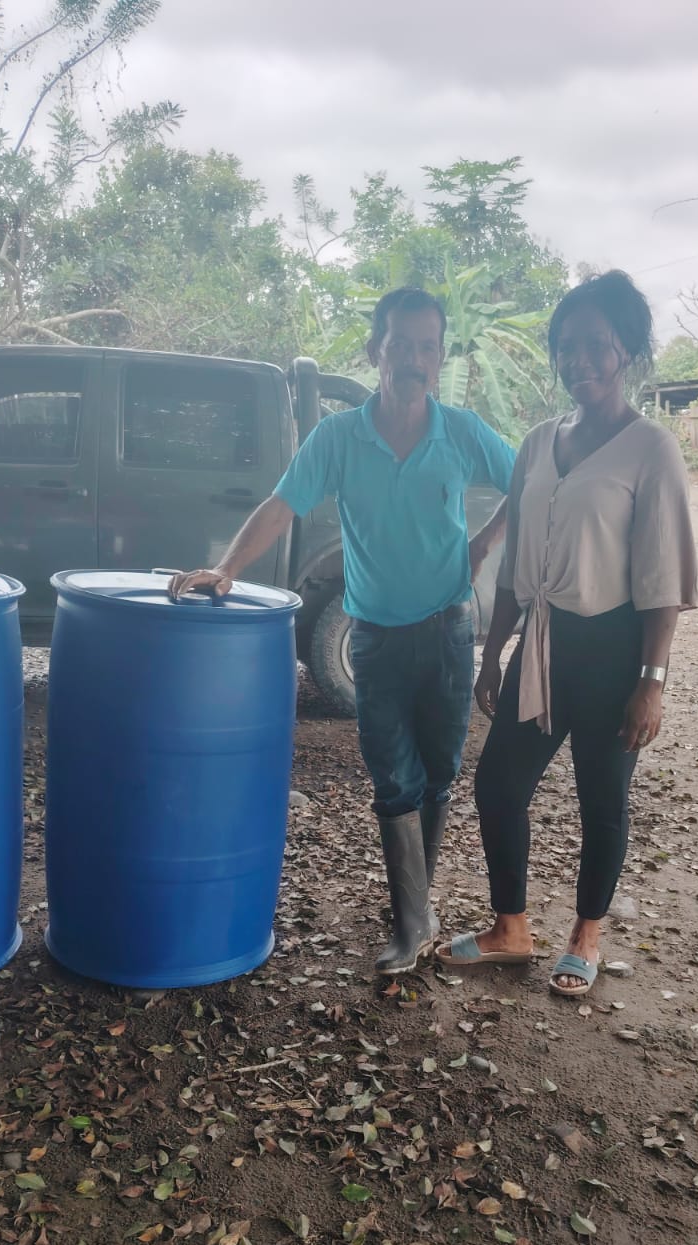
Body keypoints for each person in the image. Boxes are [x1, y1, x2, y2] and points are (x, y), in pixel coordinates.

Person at [168, 287, 515, 974]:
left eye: (426, 347)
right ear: (375, 349)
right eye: (400, 344)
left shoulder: (462, 431)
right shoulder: (338, 438)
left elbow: (530, 481)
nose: (412, 359)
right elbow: (282, 504)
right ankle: (411, 924)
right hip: (376, 640)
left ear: (439, 357)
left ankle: (419, 907)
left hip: (448, 630)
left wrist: (485, 541)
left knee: (439, 774)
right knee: (393, 778)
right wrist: (228, 568)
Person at [439, 270, 698, 998]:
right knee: (498, 784)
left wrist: (651, 683)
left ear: (627, 352)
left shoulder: (651, 449)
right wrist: (495, 654)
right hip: (542, 646)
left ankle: (586, 935)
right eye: (566, 346)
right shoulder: (537, 444)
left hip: (613, 651)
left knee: (601, 799)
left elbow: (663, 580)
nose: (578, 360)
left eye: (596, 345)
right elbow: (517, 564)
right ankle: (511, 928)